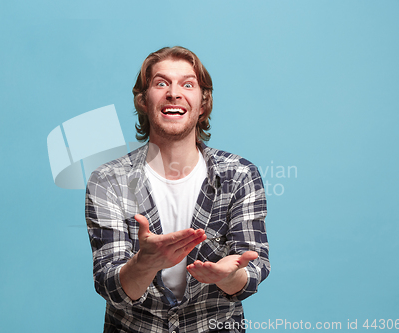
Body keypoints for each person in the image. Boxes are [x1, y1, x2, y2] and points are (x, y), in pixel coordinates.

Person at [85, 46, 270, 332]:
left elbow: (253, 272)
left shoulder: (240, 175)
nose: (174, 93)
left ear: (203, 102)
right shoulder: (108, 180)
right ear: (143, 100)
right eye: (161, 83)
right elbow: (110, 286)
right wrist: (145, 263)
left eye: (187, 84)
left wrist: (226, 276)